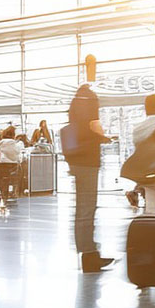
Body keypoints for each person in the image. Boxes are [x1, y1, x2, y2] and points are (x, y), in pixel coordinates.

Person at [67, 68, 114, 273]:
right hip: (88, 160)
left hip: (76, 159)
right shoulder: (90, 99)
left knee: (82, 208)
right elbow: (94, 125)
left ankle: (87, 253)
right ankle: (89, 257)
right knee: (88, 207)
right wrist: (105, 137)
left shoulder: (75, 101)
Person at [0, 125, 24, 213]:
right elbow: (17, 153)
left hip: (1, 164)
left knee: (3, 180)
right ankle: (14, 192)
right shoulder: (15, 143)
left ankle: (3, 195)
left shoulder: (0, 142)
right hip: (13, 165)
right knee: (16, 177)